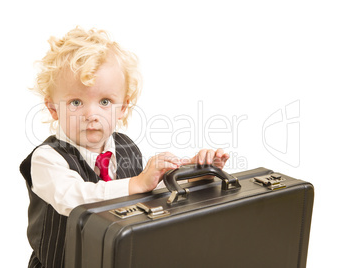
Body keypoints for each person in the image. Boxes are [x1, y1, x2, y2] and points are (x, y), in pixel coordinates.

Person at [20, 26, 230, 268]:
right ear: (53, 108)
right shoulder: (47, 159)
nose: (91, 114)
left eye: (105, 101)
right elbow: (76, 199)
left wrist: (196, 173)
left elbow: (148, 191)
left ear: (123, 108)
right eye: (76, 102)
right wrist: (138, 182)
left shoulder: (126, 147)